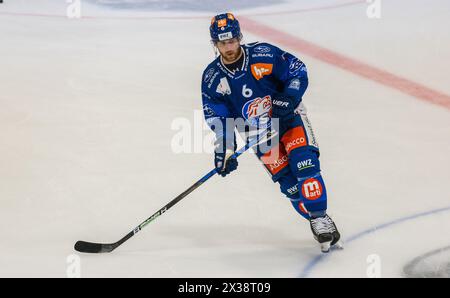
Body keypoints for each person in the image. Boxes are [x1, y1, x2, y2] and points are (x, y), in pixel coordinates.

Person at [201, 13, 341, 253]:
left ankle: (319, 216)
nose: (229, 47)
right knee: (290, 187)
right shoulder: (213, 78)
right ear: (215, 44)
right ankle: (315, 216)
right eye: (223, 43)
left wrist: (288, 98)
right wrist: (225, 150)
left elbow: (297, 70)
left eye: (232, 41)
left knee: (304, 165)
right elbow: (218, 117)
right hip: (258, 136)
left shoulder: (263, 54)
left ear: (239, 37)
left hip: (289, 120)